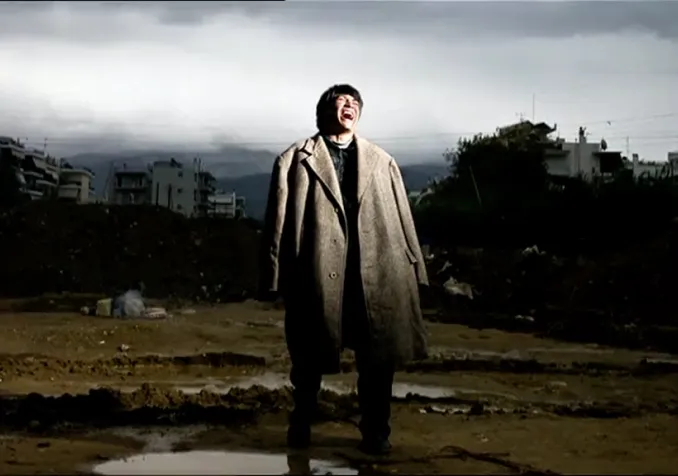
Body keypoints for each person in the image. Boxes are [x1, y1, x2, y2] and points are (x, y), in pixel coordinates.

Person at [259, 84, 429, 455]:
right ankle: (301, 423)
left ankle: (376, 432)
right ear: (325, 109)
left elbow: (404, 217)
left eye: (355, 102)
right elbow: (277, 221)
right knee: (309, 357)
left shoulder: (381, 160)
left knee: (378, 359)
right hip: (317, 270)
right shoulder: (295, 158)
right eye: (342, 100)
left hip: (375, 273)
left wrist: (416, 268)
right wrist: (274, 275)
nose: (349, 105)